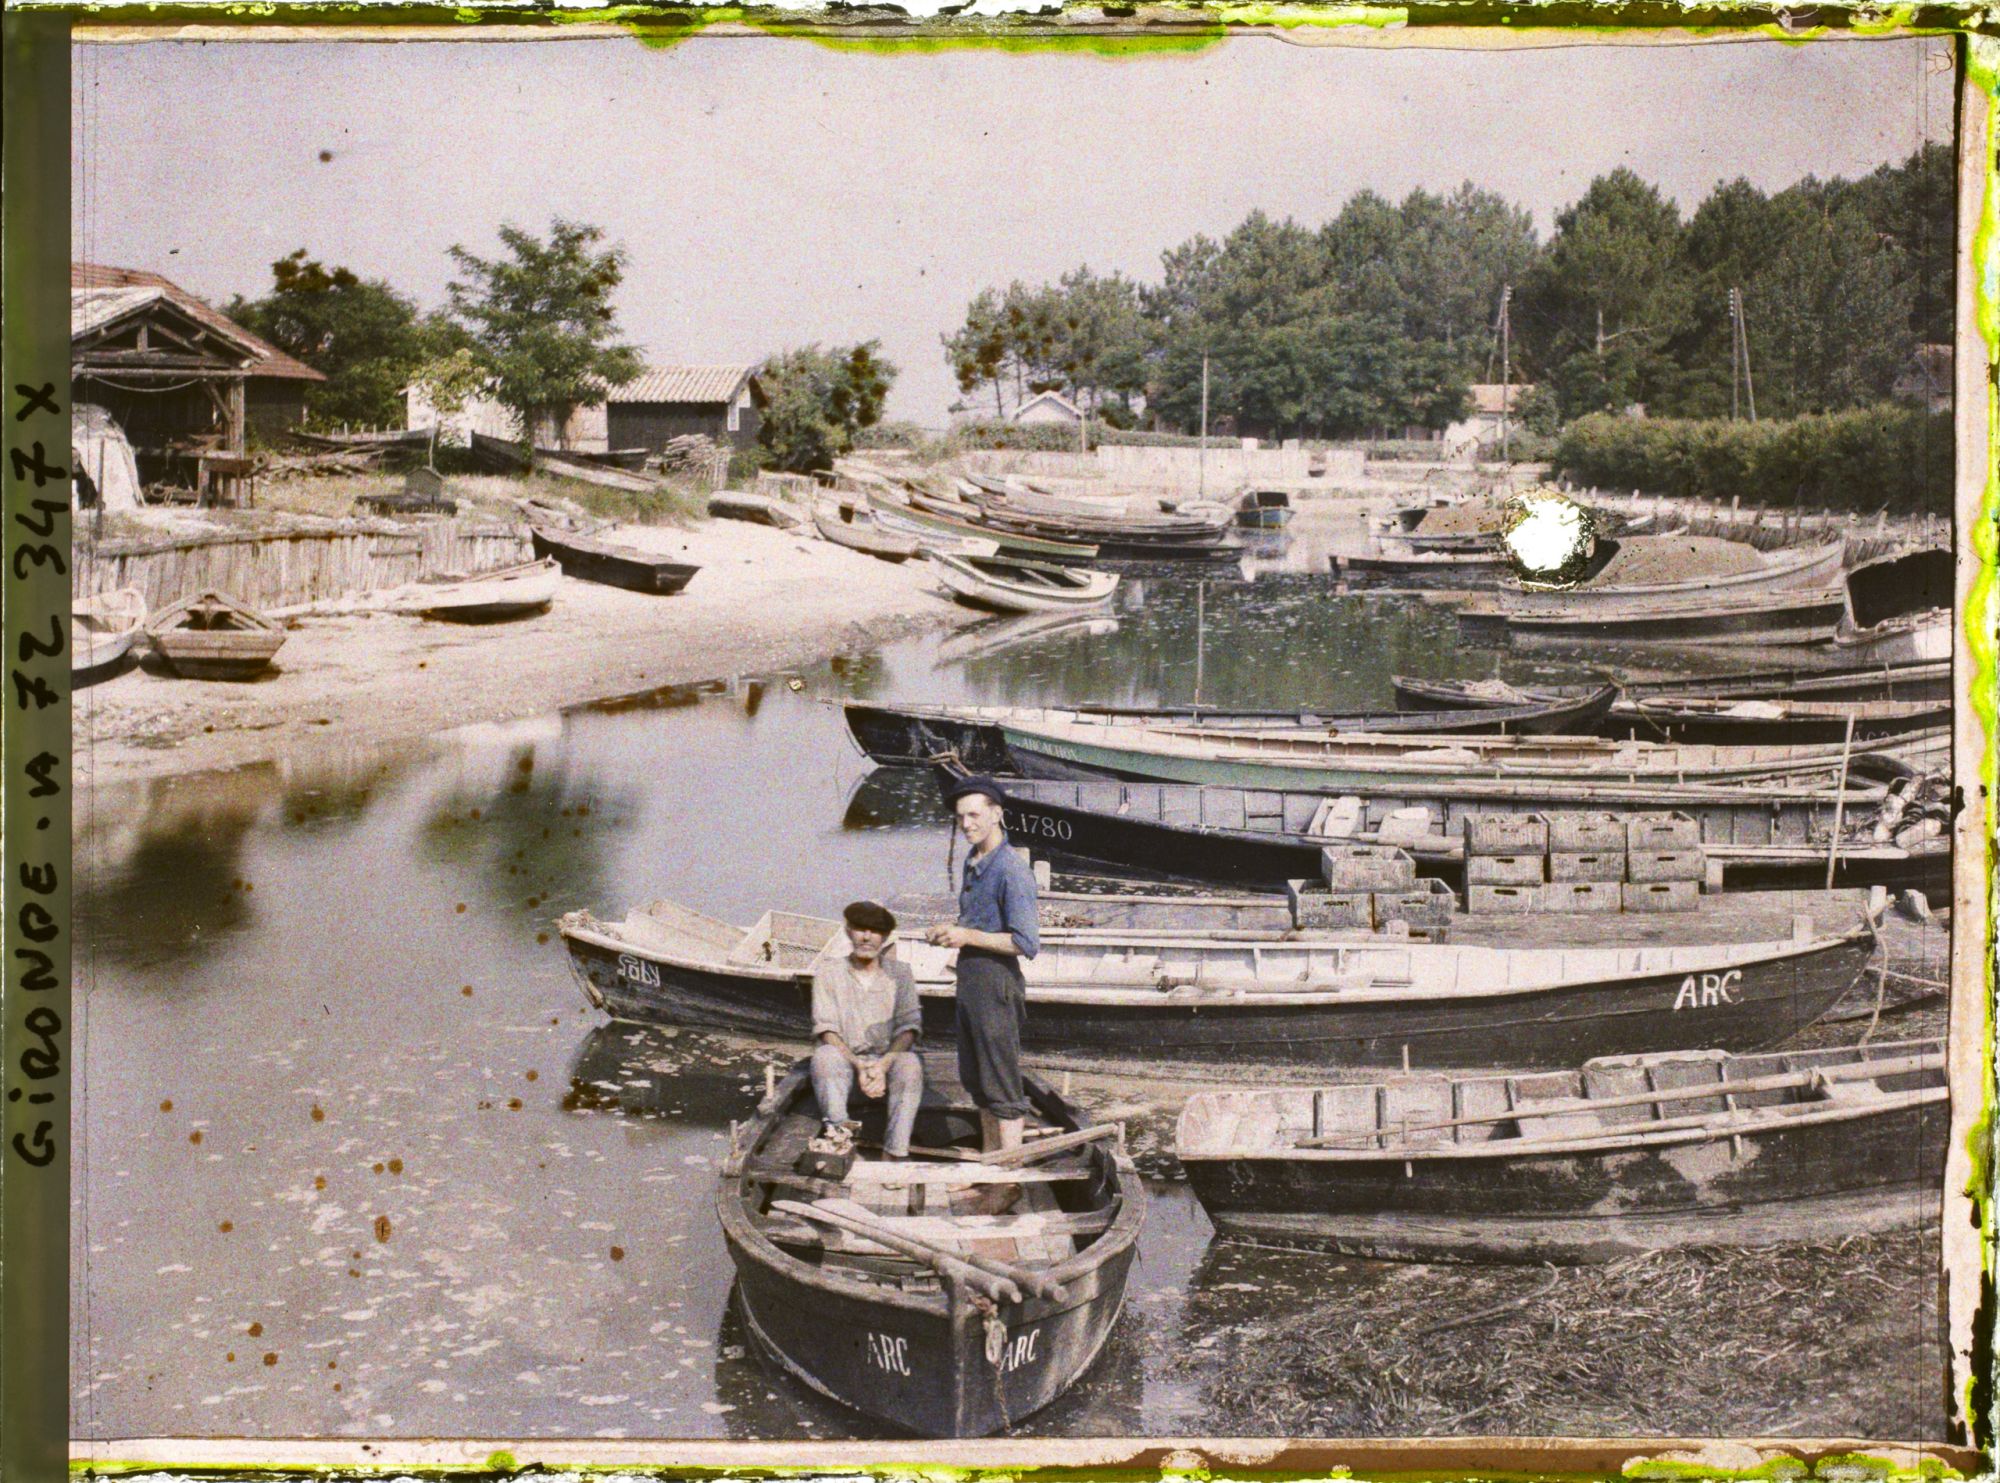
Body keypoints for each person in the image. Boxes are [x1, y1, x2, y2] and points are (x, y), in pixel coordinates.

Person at [927, 775, 1039, 1169]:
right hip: (970, 982)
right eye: (961, 818)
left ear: (997, 814)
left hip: (995, 984)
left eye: (974, 815)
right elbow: (975, 925)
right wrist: (951, 933)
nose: (967, 824)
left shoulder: (1011, 870)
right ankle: (991, 1172)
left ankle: (1006, 1183)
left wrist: (966, 935)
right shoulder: (973, 862)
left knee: (1003, 1087)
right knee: (977, 1082)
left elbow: (1026, 944)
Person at [809, 900, 924, 1159]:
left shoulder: (901, 973)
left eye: (875, 931)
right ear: (849, 931)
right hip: (846, 1058)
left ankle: (894, 1153)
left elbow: (909, 1027)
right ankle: (839, 1142)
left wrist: (882, 1066)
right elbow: (826, 1030)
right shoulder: (829, 971)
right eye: (860, 929)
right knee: (825, 1057)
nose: (867, 937)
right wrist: (859, 1066)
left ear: (884, 937)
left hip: (888, 1057)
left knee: (910, 1065)